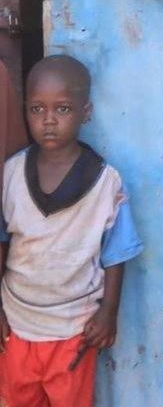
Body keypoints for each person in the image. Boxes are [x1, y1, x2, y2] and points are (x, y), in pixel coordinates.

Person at [0, 55, 143, 407]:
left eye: (62, 110)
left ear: (86, 111)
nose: (49, 121)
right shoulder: (11, 174)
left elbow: (116, 254)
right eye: (37, 109)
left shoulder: (105, 182)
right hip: (17, 324)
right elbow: (2, 242)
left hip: (73, 330)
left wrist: (108, 313)